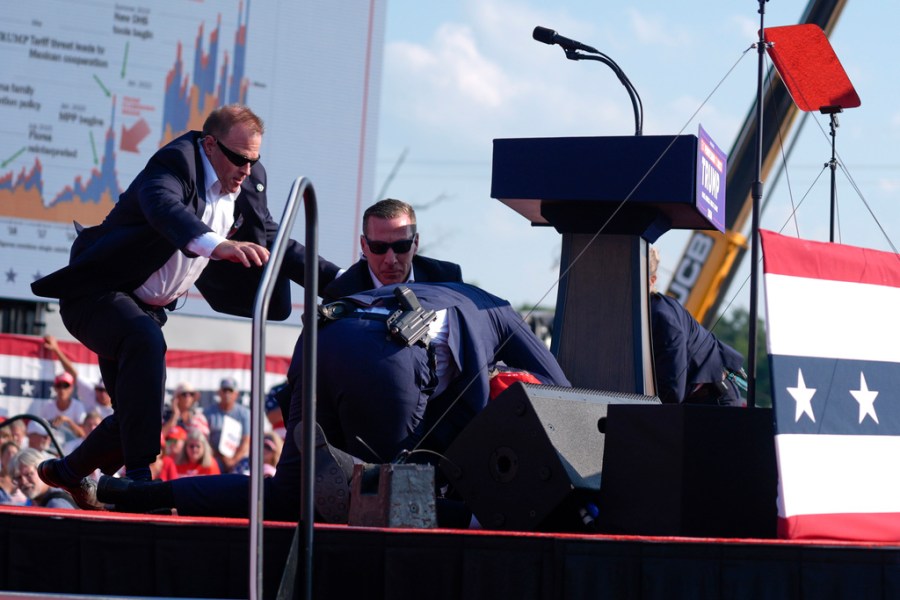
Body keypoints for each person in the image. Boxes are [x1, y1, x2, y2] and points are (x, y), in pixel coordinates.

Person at [30, 104, 340, 509]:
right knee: (145, 341)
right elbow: (164, 208)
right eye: (238, 159)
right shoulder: (176, 163)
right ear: (210, 145)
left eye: (254, 160)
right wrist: (218, 244)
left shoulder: (246, 181)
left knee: (134, 416)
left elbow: (276, 241)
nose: (246, 170)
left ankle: (66, 472)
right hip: (97, 295)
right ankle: (139, 479)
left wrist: (345, 283)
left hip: (144, 309)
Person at [96, 282, 570, 524]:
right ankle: (352, 480)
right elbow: (560, 390)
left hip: (322, 339)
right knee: (394, 501)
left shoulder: (449, 296)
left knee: (287, 495)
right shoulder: (500, 313)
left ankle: (145, 495)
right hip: (389, 358)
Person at [648, 247, 746, 406]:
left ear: (652, 281)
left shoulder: (663, 319)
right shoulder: (647, 311)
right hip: (694, 398)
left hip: (714, 400)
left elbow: (672, 391)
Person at [322, 199, 462, 302]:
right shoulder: (341, 294)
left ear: (416, 243)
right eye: (379, 247)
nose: (390, 260)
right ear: (364, 245)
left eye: (401, 246)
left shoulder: (447, 280)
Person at [205, 377, 251, 473]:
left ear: (236, 394)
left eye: (230, 391)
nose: (227, 394)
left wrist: (233, 460)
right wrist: (221, 457)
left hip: (238, 458)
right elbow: (205, 440)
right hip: (214, 456)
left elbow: (246, 441)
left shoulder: (244, 413)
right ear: (219, 392)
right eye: (224, 390)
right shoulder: (208, 412)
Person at [9, 448, 78, 509]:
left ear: (41, 472)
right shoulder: (37, 502)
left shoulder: (56, 504)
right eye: (18, 477)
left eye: (28, 474)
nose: (23, 482)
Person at [38, 373, 87, 442]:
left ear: (71, 388)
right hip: (52, 447)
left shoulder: (78, 406)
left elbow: (83, 434)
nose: (62, 390)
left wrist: (68, 421)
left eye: (65, 386)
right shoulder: (47, 406)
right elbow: (39, 431)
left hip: (73, 447)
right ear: (55, 388)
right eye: (59, 386)